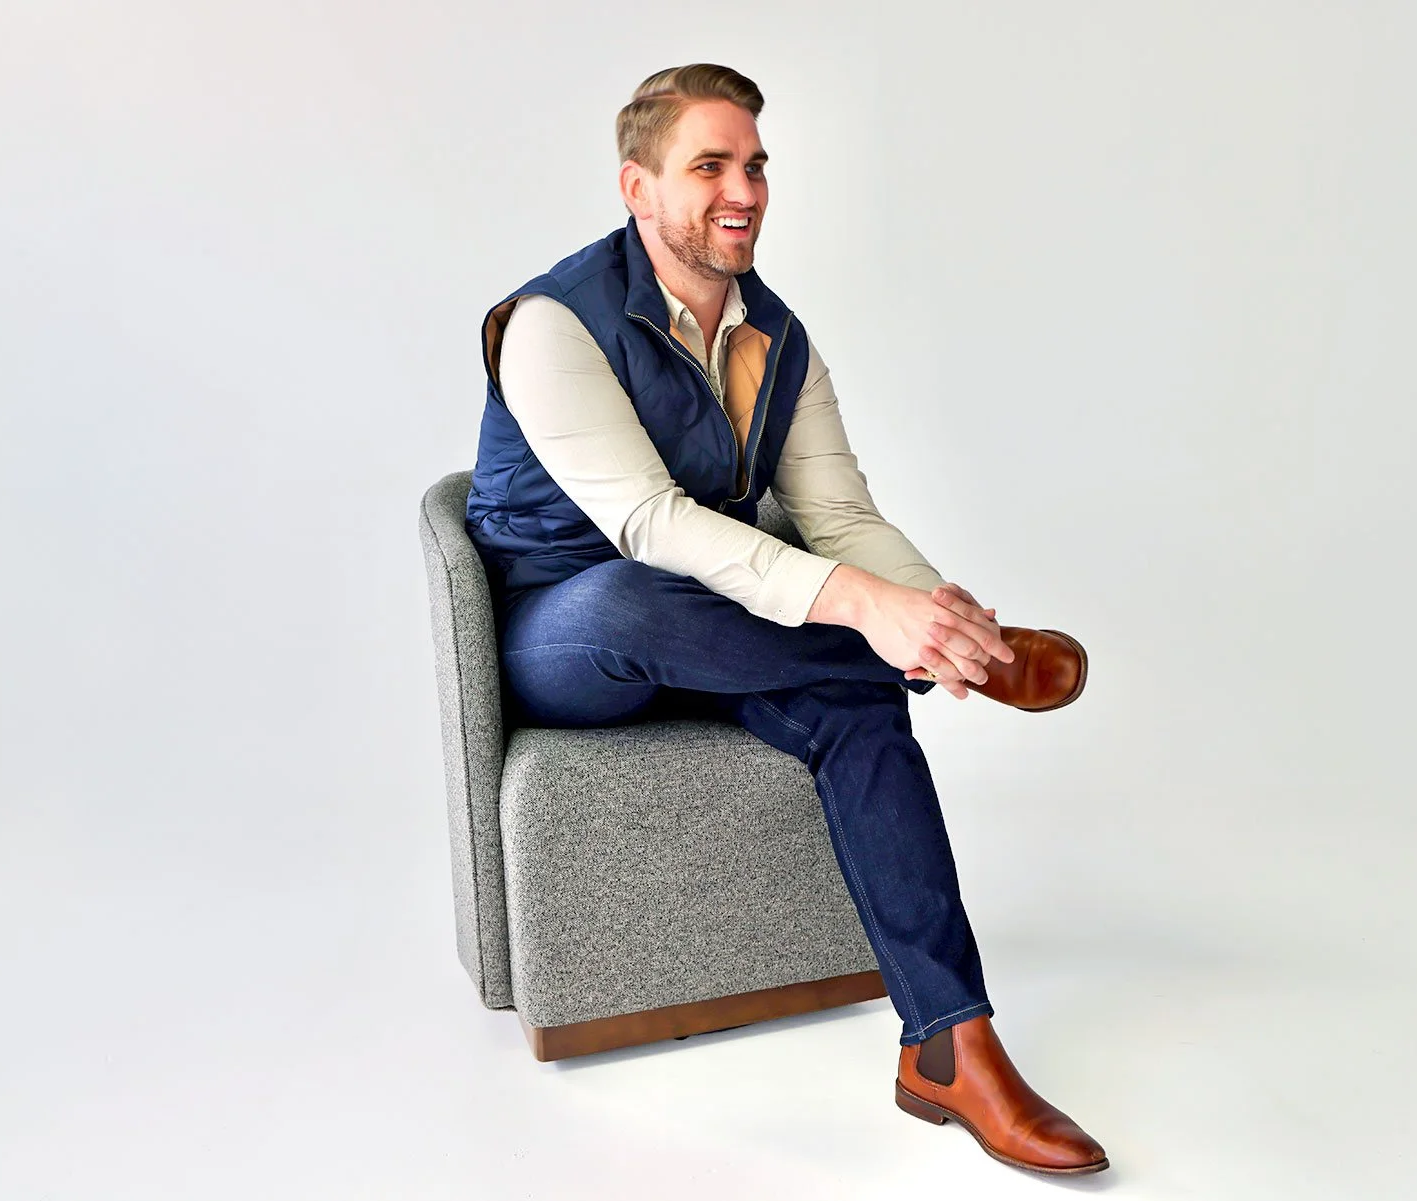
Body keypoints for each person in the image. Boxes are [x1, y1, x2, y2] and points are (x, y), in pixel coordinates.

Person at [464, 63, 1108, 1177]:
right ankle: (930, 659)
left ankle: (950, 1046)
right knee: (670, 599)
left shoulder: (779, 336)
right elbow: (652, 525)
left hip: (724, 625)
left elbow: (839, 514)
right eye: (708, 165)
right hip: (569, 635)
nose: (744, 189)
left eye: (755, 164)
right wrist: (870, 613)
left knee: (858, 699)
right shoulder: (546, 323)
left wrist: (937, 609)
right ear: (638, 187)